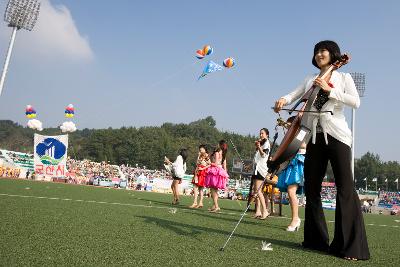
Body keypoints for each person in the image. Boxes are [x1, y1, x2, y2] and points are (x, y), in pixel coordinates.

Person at [274, 40, 370, 260]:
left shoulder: (343, 78)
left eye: (323, 50)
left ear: (333, 54)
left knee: (345, 188)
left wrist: (331, 91)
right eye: (316, 51)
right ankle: (315, 241)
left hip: (338, 136)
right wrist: (283, 99)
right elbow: (294, 94)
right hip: (314, 137)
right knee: (313, 188)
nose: (319, 54)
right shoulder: (310, 79)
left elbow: (355, 102)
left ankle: (349, 247)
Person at [276, 142, 306, 231]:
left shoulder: (305, 129)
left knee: (291, 191)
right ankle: (295, 219)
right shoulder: (292, 129)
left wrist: (293, 143)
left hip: (299, 161)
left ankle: (295, 219)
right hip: (291, 161)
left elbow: (305, 144)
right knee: (290, 191)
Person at [250, 128, 271, 220]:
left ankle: (265, 211)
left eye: (262, 133)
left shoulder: (266, 143)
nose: (261, 135)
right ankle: (258, 211)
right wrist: (250, 165)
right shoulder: (261, 143)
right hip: (256, 168)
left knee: (258, 191)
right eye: (260, 133)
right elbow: (256, 158)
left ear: (267, 135)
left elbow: (263, 155)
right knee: (256, 191)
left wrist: (258, 146)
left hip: (261, 169)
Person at [204, 140, 229, 212]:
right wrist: (225, 175)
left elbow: (216, 163)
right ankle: (214, 206)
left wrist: (209, 163)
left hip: (215, 171)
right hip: (220, 171)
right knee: (215, 190)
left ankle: (216, 206)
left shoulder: (217, 152)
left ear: (219, 145)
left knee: (213, 190)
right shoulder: (223, 154)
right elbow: (224, 165)